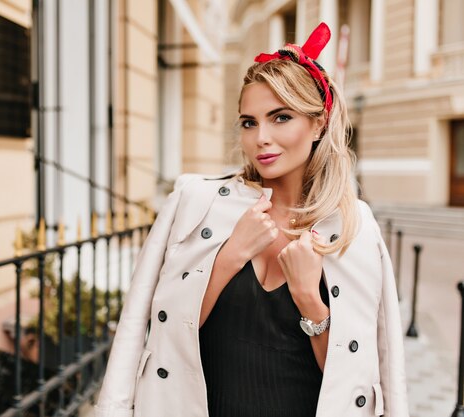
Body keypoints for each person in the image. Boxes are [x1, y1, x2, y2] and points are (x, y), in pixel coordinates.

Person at [94, 22, 408, 417]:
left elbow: (357, 379)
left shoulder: (352, 226)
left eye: (280, 118)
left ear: (318, 123)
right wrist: (229, 257)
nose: (261, 137)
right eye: (249, 122)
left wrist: (310, 299)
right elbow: (151, 330)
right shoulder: (195, 200)